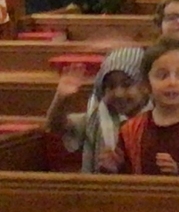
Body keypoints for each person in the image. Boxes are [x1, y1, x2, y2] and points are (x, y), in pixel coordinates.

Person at [114, 40, 179, 175]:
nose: (172, 82)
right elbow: (124, 180)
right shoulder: (130, 131)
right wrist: (111, 168)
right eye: (162, 76)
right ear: (146, 83)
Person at [43, 46, 145, 174]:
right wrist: (61, 99)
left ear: (145, 85)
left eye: (127, 84)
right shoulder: (96, 118)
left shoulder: (154, 119)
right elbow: (55, 125)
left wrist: (123, 167)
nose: (118, 93)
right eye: (111, 86)